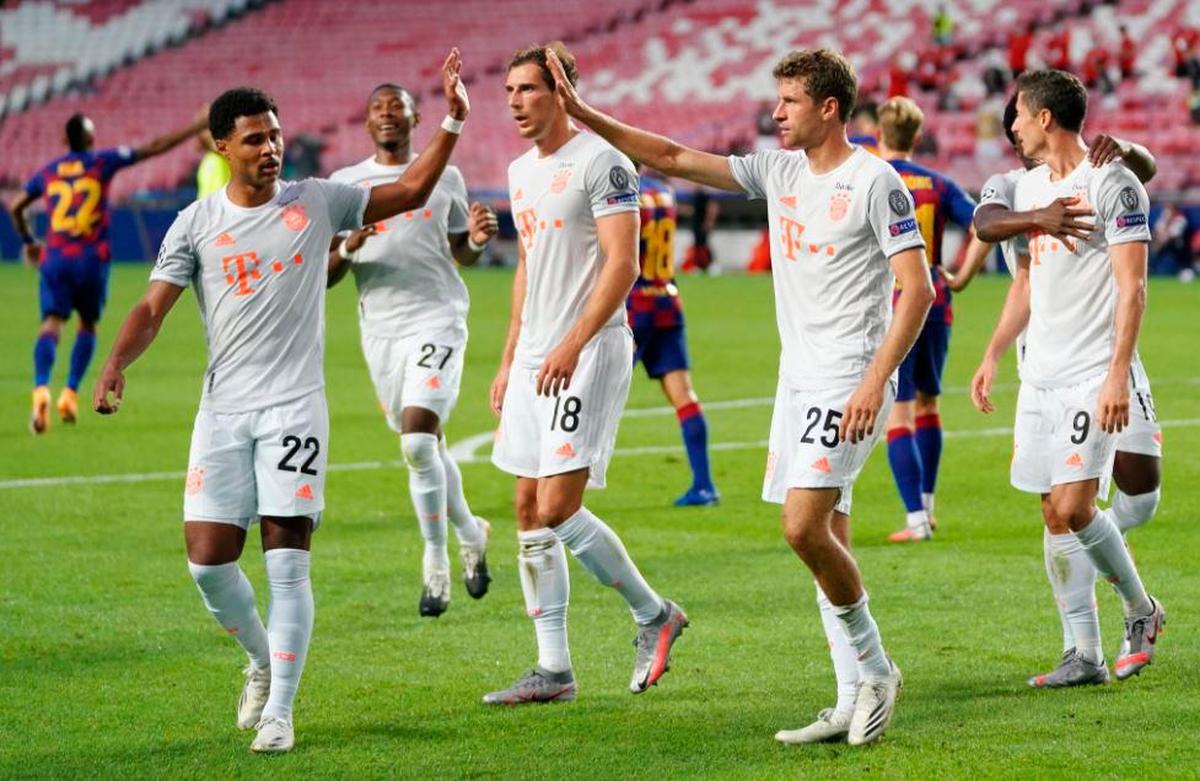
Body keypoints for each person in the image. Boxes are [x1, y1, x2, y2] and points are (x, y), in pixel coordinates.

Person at [547, 45, 933, 746]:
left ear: (829, 108)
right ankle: (848, 696)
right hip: (798, 379)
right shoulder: (778, 170)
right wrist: (580, 111)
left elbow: (919, 289)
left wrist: (876, 380)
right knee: (828, 538)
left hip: (850, 376)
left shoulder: (877, 182)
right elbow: (669, 155)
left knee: (802, 526)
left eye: (789, 102)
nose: (775, 113)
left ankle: (877, 668)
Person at [91, 51, 471, 753]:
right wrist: (115, 360)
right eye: (255, 138)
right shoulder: (195, 223)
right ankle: (263, 660)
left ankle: (282, 710)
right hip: (224, 411)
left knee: (286, 559)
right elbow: (152, 307)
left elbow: (415, 189)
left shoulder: (317, 200)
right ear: (221, 146)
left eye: (275, 135)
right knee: (208, 562)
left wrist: (450, 118)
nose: (271, 148)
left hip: (295, 409)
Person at [483, 43, 689, 706]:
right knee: (525, 506)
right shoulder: (519, 171)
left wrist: (572, 342)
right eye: (510, 90)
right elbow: (529, 264)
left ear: (563, 91)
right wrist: (511, 352)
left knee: (557, 505)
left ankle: (655, 613)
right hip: (536, 355)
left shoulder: (604, 162)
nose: (516, 101)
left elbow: (622, 264)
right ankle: (553, 669)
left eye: (529, 89)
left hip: (590, 349)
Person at [970, 70, 1164, 690]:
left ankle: (1141, 609)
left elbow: (1134, 288)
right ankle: (1083, 654)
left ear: (1044, 117)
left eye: (1020, 118)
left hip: (1091, 374)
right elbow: (1027, 283)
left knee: (1079, 507)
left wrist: (1115, 377)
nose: (1014, 129)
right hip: (1041, 378)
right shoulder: (1027, 190)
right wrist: (995, 354)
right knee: (1055, 514)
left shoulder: (1111, 182)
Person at [326, 82, 498, 617]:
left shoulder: (443, 176)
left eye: (396, 107)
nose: (386, 115)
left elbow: (457, 253)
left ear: (414, 117)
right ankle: (472, 531)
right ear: (367, 120)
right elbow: (325, 275)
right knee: (427, 445)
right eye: (377, 107)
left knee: (419, 444)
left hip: (438, 319)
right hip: (380, 333)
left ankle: (435, 561)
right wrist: (350, 246)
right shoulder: (344, 185)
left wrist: (472, 240)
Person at [10, 110, 207, 434]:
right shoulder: (101, 161)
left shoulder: (49, 171)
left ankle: (41, 388)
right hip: (90, 259)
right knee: (88, 324)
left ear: (64, 140)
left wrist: (30, 240)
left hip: (55, 257)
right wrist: (198, 124)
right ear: (90, 139)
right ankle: (71, 392)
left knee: (52, 323)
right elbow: (155, 146)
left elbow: (18, 205)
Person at [873, 97, 977, 543]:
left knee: (898, 410)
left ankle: (915, 519)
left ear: (879, 133)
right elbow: (982, 223)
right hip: (936, 301)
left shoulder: (870, 179)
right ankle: (928, 509)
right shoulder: (940, 184)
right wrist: (962, 272)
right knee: (929, 405)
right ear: (918, 137)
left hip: (894, 302)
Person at [628, 169, 719, 506]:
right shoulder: (663, 191)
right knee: (684, 395)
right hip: (666, 296)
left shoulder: (622, 194)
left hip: (634, 304)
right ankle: (705, 485)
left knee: (598, 391)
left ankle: (578, 475)